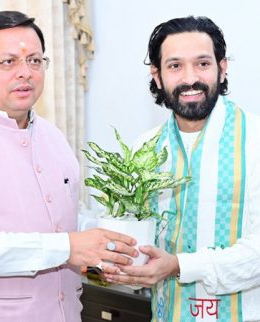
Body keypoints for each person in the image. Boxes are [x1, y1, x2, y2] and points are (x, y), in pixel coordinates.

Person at [0, 11, 138, 322]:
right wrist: (66, 248)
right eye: (8, 62)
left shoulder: (52, 135)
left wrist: (104, 242)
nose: (25, 72)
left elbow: (64, 219)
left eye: (34, 60)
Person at [104, 16, 260, 322]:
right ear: (157, 75)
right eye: (175, 66)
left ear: (222, 67)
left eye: (202, 63)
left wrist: (179, 265)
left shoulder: (255, 140)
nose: (190, 78)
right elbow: (136, 238)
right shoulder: (145, 148)